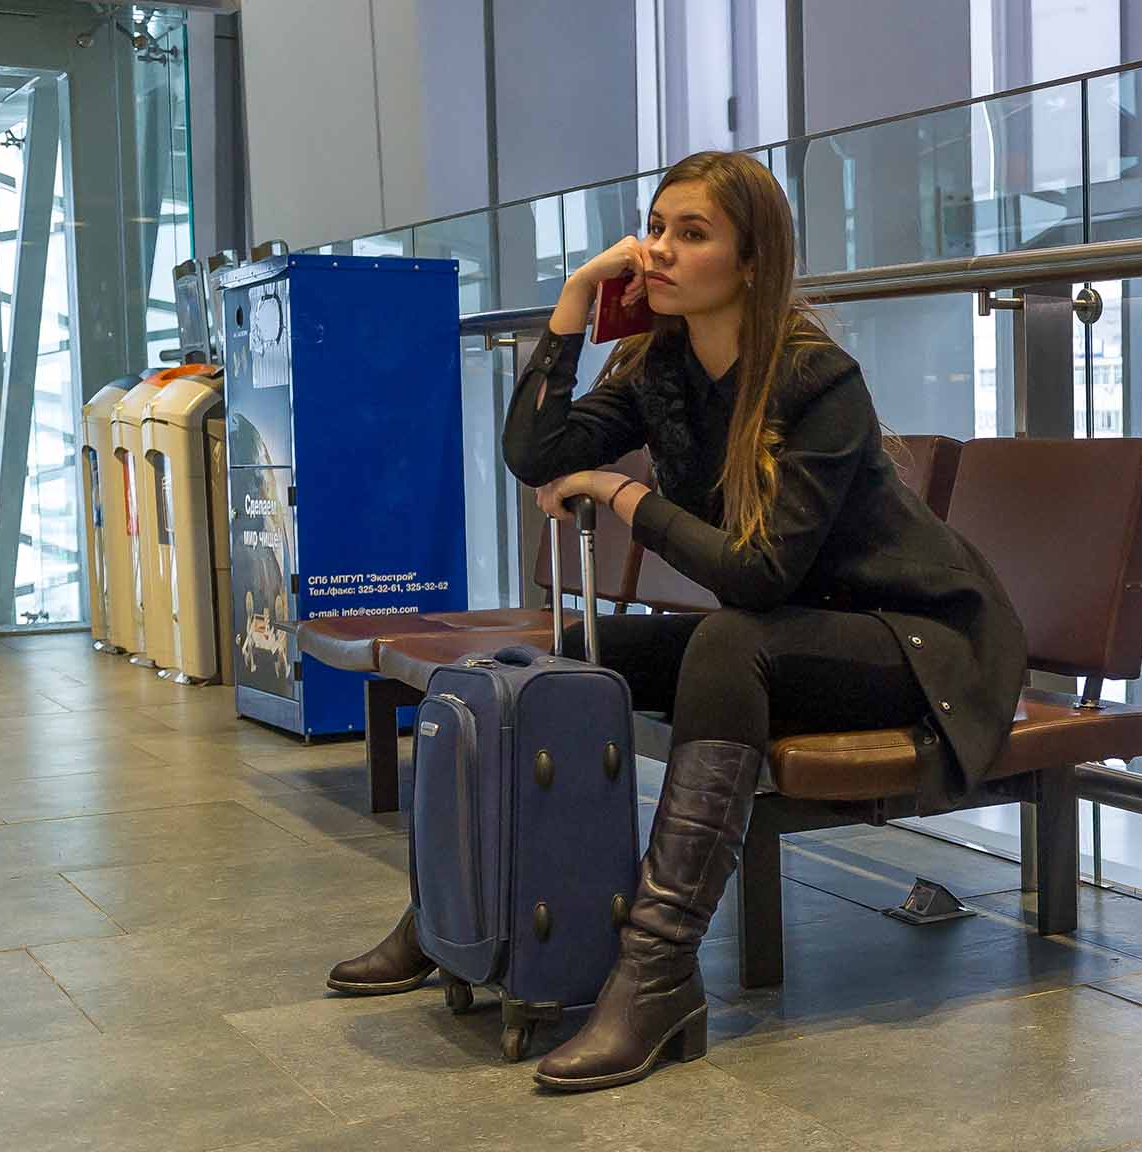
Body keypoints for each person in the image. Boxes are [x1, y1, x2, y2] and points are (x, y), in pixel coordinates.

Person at [323, 150, 1027, 1092]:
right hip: (797, 633)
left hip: (918, 643)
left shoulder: (817, 381)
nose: (657, 250)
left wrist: (623, 494)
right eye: (655, 227)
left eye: (691, 234)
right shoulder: (663, 366)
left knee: (730, 642)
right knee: (568, 656)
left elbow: (759, 575)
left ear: (751, 262)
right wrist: (575, 300)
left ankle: (655, 975)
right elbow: (536, 453)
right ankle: (456, 913)